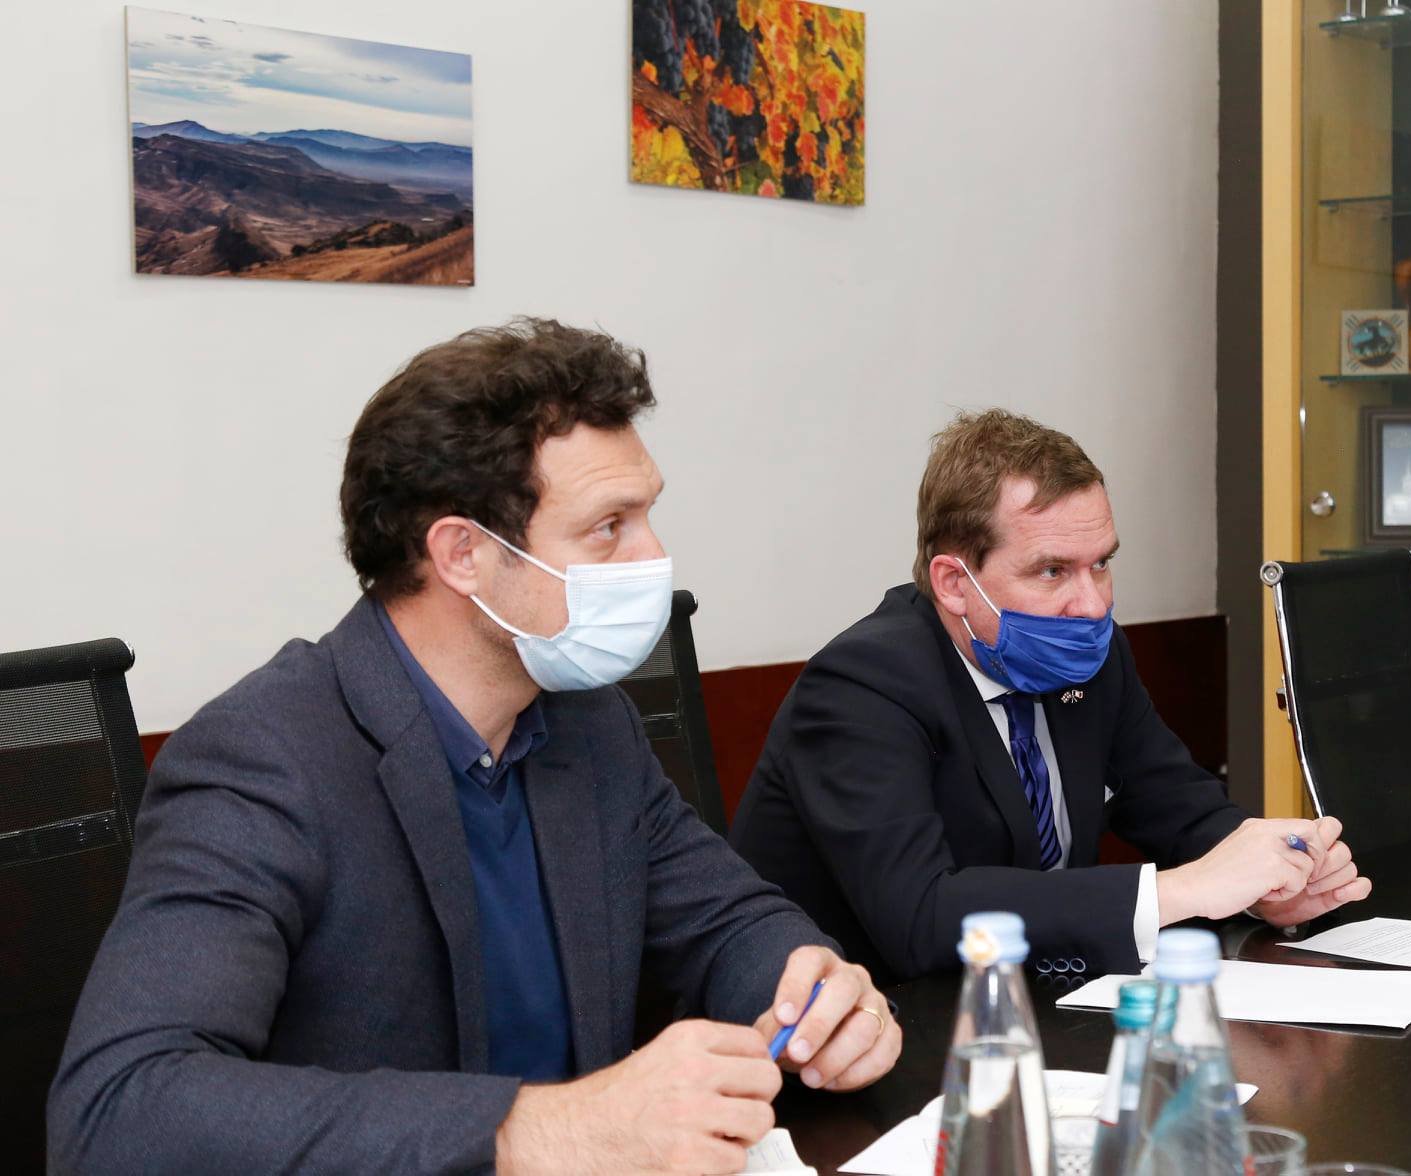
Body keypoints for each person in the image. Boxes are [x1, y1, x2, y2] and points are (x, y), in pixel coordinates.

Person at [48, 319, 900, 1174]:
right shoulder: (263, 760)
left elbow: (727, 920)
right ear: (463, 554)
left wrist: (815, 992)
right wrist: (545, 1130)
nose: (654, 556)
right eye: (609, 526)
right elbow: (119, 1111)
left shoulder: (589, 725)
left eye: (647, 515)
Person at [731, 410, 1371, 983]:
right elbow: (921, 916)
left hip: (1040, 1003)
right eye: (1052, 570)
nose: (1091, 605)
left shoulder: (1092, 656)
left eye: (1102, 564)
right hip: (866, 1033)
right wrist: (1183, 890)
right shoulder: (862, 686)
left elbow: (1176, 804)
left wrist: (1271, 881)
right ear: (954, 583)